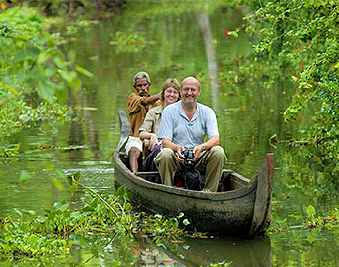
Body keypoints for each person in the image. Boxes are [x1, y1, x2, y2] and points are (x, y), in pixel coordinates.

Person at [154, 76, 226, 192]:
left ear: (199, 92)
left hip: (198, 155)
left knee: (218, 151)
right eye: (186, 89)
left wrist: (202, 147)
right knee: (165, 153)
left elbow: (215, 139)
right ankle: (168, 191)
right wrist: (177, 148)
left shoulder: (207, 112)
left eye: (192, 90)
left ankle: (209, 192)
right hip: (177, 156)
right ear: (181, 92)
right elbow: (165, 142)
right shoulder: (169, 111)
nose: (189, 93)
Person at [139, 78, 181, 172]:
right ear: (163, 94)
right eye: (169, 91)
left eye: (175, 92)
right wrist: (151, 135)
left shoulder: (182, 113)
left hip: (177, 151)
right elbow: (141, 133)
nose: (172, 95)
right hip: (158, 152)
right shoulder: (153, 113)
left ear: (178, 96)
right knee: (160, 150)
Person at [125, 71, 161, 174]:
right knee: (134, 151)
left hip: (154, 136)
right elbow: (144, 102)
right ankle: (135, 175)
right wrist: (161, 94)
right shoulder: (133, 98)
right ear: (135, 87)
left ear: (149, 85)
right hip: (136, 137)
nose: (143, 88)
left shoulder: (158, 103)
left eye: (145, 85)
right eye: (139, 86)